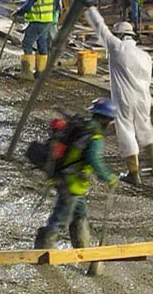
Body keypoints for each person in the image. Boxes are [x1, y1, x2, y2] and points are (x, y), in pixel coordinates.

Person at [85, 6, 153, 182]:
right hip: (144, 99)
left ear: (119, 35)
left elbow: (99, 26)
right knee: (145, 128)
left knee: (126, 130)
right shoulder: (145, 56)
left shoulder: (117, 47)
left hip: (124, 99)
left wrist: (89, 8)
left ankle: (134, 174)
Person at [35, 98, 119, 250]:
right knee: (61, 217)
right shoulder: (95, 137)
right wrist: (108, 177)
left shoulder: (83, 127)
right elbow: (93, 159)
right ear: (106, 119)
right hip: (71, 181)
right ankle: (43, 247)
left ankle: (81, 245)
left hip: (67, 177)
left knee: (80, 212)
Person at [14, 0, 57, 78]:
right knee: (42, 44)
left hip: (38, 20)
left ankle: (27, 72)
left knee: (27, 43)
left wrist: (18, 12)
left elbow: (28, 5)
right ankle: (41, 71)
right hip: (47, 20)